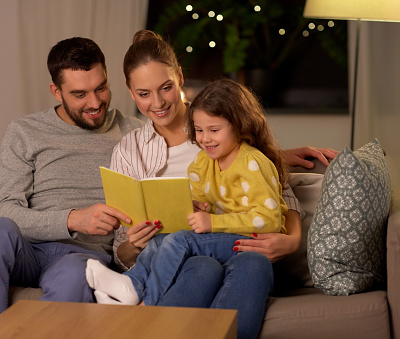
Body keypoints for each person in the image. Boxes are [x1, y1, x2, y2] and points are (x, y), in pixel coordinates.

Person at [87, 30, 338, 339]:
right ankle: (147, 315)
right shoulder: (129, 151)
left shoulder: (220, 119)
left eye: (166, 87)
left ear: (180, 77)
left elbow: (278, 194)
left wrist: (292, 240)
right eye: (144, 94)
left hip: (242, 247)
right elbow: (122, 250)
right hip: (183, 259)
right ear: (129, 91)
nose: (158, 102)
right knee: (203, 267)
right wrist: (134, 244)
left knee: (254, 265)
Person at [0, 37, 145, 338]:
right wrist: (73, 219)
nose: (95, 103)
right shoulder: (24, 131)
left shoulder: (136, 133)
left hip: (84, 256)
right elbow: (4, 210)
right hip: (27, 250)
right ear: (56, 91)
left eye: (101, 87)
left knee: (74, 275)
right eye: (79, 94)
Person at [86, 77, 291, 308]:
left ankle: (146, 301)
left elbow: (269, 220)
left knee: (180, 241)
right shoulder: (202, 162)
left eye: (214, 130)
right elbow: (205, 206)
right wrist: (191, 209)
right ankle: (132, 283)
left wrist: (212, 222)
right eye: (199, 130)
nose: (204, 138)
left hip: (251, 240)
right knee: (162, 239)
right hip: (222, 240)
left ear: (240, 125)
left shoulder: (252, 162)